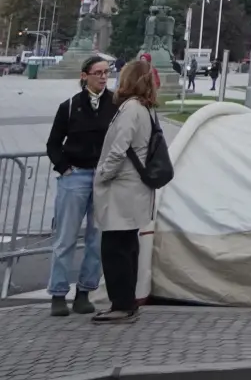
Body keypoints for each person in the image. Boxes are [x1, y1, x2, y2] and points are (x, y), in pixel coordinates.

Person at [45, 55, 116, 316]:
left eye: (106, 72)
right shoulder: (70, 106)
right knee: (65, 237)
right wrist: (64, 167)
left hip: (103, 176)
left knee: (96, 239)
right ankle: (58, 293)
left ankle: (85, 291)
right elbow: (53, 143)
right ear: (84, 75)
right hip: (75, 175)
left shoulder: (115, 104)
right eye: (97, 72)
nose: (103, 77)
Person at [93, 59, 161, 323]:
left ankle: (121, 303)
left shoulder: (131, 109)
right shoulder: (147, 109)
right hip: (135, 188)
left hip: (122, 188)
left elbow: (118, 149)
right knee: (128, 246)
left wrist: (102, 175)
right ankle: (127, 301)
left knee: (115, 249)